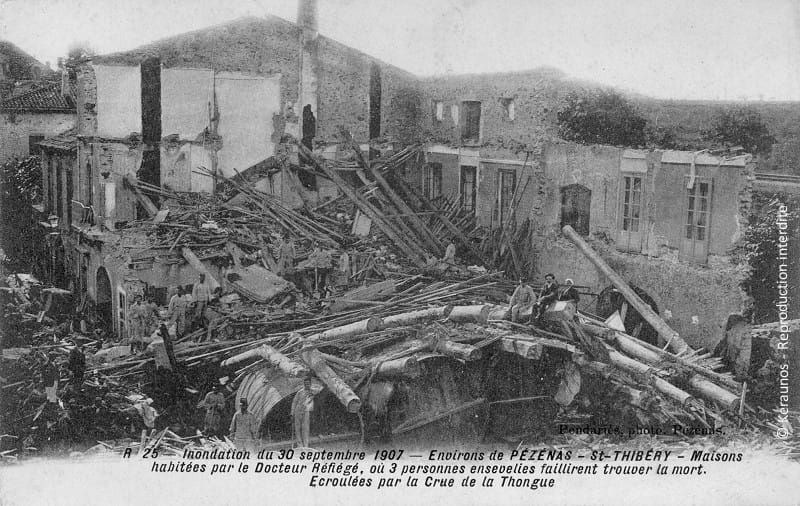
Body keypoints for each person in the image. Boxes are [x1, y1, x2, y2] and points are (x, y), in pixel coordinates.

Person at [291, 376, 315, 448]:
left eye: (308, 383)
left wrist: (311, 391)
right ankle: (300, 445)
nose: (307, 385)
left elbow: (317, 391)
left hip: (306, 411)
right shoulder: (300, 392)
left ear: (310, 384)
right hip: (298, 410)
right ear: (304, 384)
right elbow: (294, 402)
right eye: (306, 383)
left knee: (305, 428)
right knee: (297, 428)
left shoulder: (312, 391)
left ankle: (305, 445)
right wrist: (292, 412)